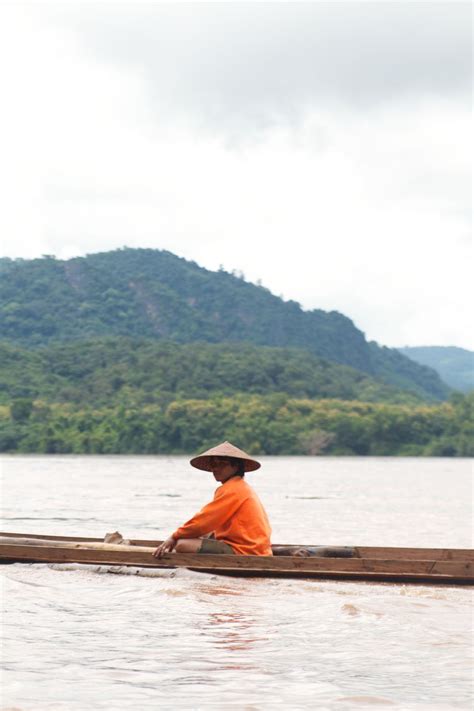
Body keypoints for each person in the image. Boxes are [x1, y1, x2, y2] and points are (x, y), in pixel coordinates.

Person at [153, 441, 272, 558]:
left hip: (245, 550)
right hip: (254, 547)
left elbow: (203, 521)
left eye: (222, 464)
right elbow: (209, 524)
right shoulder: (239, 486)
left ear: (235, 466)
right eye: (213, 464)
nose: (215, 468)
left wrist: (174, 537)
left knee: (181, 544)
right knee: (204, 534)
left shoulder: (233, 489)